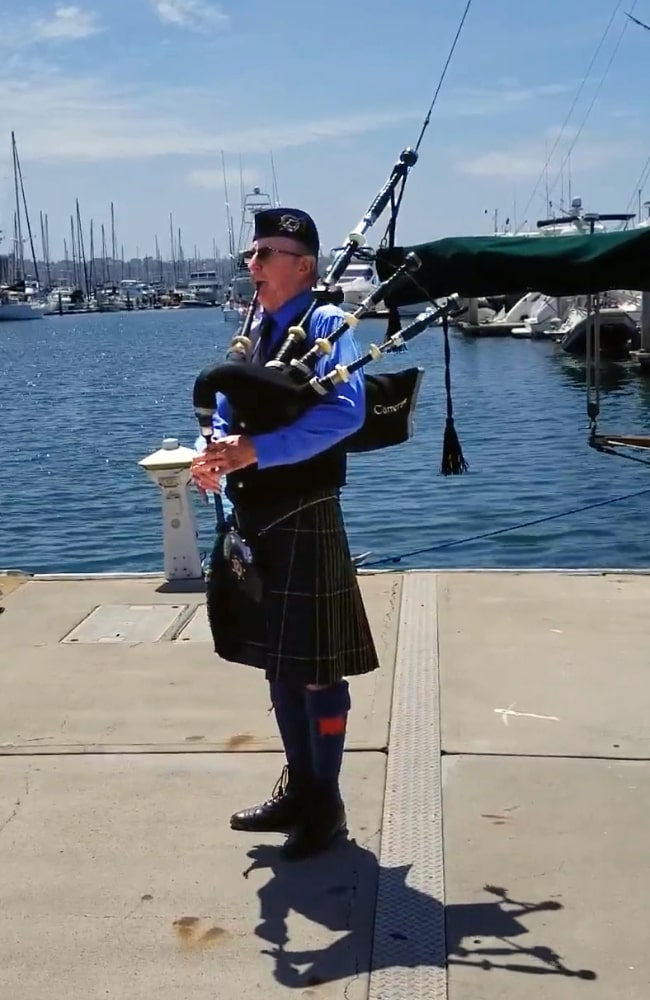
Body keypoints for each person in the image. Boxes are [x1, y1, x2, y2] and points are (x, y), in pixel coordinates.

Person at [191, 207, 380, 861]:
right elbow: (225, 407)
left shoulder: (326, 324)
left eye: (266, 254)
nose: (253, 266)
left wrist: (258, 452)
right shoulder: (255, 326)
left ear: (303, 265)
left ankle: (324, 803)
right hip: (254, 514)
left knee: (319, 672)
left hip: (304, 511)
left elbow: (348, 412)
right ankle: (299, 788)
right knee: (281, 662)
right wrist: (211, 452)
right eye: (251, 254)